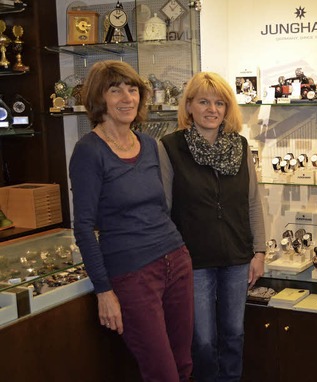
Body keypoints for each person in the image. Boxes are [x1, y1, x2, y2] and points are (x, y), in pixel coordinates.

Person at [68, 60, 194, 382]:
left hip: (176, 262)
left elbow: (162, 206)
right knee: (162, 372)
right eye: (115, 90)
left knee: (183, 366)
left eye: (133, 89)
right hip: (132, 274)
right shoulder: (88, 151)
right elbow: (82, 226)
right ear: (99, 98)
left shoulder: (150, 145)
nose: (127, 98)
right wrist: (104, 291)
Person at [158, 72, 266, 382]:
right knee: (202, 341)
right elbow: (163, 208)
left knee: (233, 335)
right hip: (192, 261)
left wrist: (258, 251)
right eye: (204, 101)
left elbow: (253, 202)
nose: (212, 109)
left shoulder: (241, 146)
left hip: (236, 256)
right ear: (189, 106)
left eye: (220, 103)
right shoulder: (169, 147)